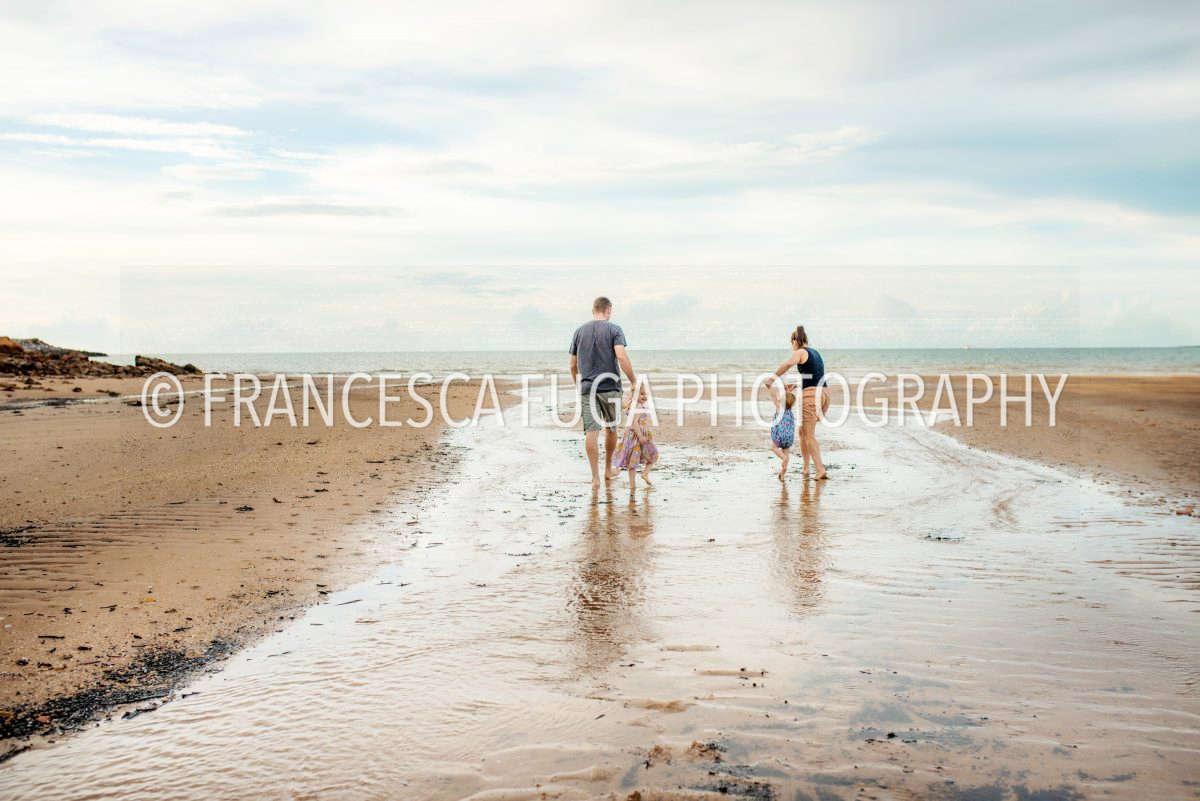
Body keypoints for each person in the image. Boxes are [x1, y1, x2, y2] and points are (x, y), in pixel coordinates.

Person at [569, 297, 637, 488]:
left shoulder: (579, 331)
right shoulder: (615, 330)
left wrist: (578, 384)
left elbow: (572, 364)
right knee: (611, 428)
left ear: (593, 310)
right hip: (611, 388)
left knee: (591, 432)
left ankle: (595, 478)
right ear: (608, 310)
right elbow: (621, 357)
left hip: (588, 389)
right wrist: (633, 380)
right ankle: (608, 470)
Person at [770, 325, 830, 480]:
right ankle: (806, 468)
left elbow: (788, 364)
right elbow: (814, 376)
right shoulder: (814, 352)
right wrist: (797, 385)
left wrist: (772, 379)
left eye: (792, 343)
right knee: (802, 432)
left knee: (809, 435)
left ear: (795, 341)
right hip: (824, 393)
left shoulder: (800, 352)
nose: (792, 347)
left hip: (811, 395)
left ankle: (820, 469)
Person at [611, 385, 658, 490]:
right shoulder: (639, 407)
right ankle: (644, 474)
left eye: (646, 394)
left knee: (632, 460)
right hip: (637, 435)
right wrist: (641, 436)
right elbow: (634, 422)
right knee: (653, 454)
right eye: (642, 394)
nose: (644, 396)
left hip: (629, 435)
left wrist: (630, 396)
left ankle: (633, 485)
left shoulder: (630, 404)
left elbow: (623, 405)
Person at [768, 382, 797, 480]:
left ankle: (783, 458)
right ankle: (783, 471)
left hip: (779, 436)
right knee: (786, 453)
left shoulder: (779, 409)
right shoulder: (790, 410)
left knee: (774, 448)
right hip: (789, 438)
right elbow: (788, 398)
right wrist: (788, 391)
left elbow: (773, 396)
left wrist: (770, 386)